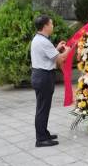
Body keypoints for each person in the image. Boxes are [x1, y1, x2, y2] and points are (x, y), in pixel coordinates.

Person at [30, 16, 71, 148]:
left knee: (43, 107)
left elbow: (50, 55)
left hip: (40, 75)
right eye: (51, 24)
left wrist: (57, 48)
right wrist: (68, 51)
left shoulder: (39, 39)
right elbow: (59, 60)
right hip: (44, 76)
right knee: (42, 108)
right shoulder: (43, 42)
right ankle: (41, 139)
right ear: (46, 26)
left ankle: (44, 133)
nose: (53, 26)